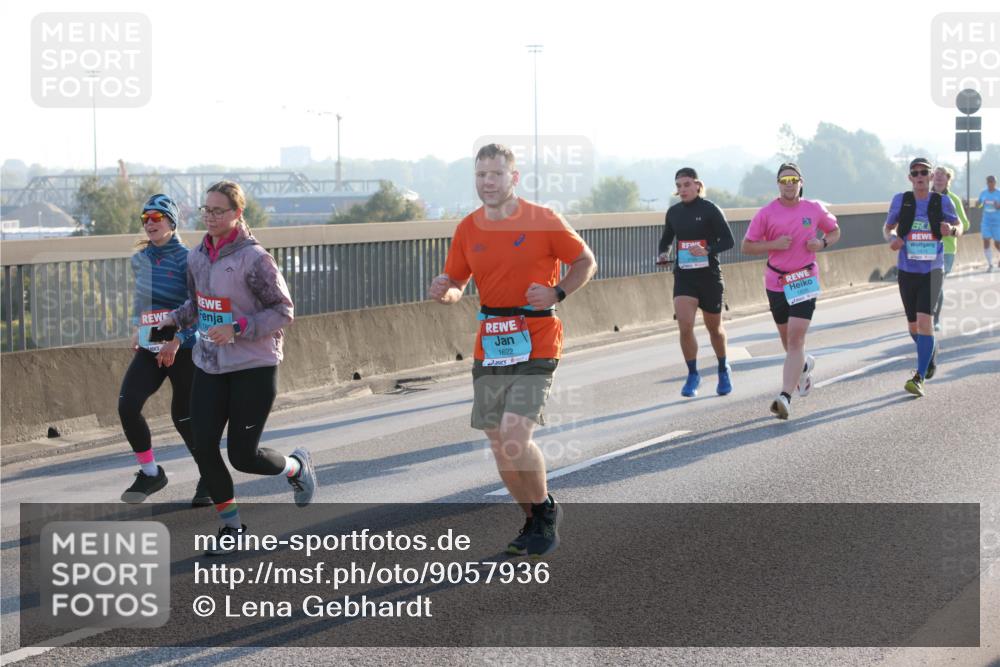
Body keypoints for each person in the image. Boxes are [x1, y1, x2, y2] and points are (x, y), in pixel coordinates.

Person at [428, 143, 597, 557]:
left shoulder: (543, 220)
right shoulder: (468, 227)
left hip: (537, 337)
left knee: (515, 436)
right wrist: (445, 291)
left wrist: (557, 290)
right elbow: (456, 281)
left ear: (513, 178)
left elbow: (586, 261)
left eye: (496, 174)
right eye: (481, 175)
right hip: (491, 342)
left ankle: (543, 512)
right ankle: (533, 519)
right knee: (498, 442)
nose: (488, 182)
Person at [159, 180, 316, 554]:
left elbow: (283, 311)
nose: (210, 217)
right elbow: (197, 307)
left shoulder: (255, 258)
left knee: (243, 456)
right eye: (206, 210)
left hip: (253, 365)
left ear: (237, 214)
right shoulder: (197, 257)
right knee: (204, 445)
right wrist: (171, 322)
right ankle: (232, 529)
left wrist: (239, 328)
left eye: (219, 211)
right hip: (210, 364)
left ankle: (296, 467)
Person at [119, 194, 208, 505]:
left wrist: (178, 339)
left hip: (182, 346)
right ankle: (151, 473)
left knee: (184, 417)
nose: (149, 224)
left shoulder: (190, 259)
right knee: (127, 405)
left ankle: (209, 476)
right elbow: (141, 299)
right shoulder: (139, 260)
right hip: (150, 343)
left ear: (171, 221)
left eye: (156, 218)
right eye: (145, 219)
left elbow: (200, 308)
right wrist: (136, 326)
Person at [742, 163, 840, 419]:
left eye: (793, 179)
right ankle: (804, 366)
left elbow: (835, 230)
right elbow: (746, 246)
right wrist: (773, 244)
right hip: (776, 281)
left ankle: (784, 396)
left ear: (800, 182)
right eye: (784, 179)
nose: (788, 183)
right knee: (788, 343)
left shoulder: (814, 208)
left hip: (805, 278)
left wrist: (822, 242)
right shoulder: (766, 213)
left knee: (796, 339)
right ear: (778, 184)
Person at [656, 167, 735, 397]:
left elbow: (728, 240)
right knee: (685, 325)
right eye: (679, 186)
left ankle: (723, 368)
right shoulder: (673, 213)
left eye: (687, 184)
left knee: (714, 329)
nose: (683, 190)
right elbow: (666, 240)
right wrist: (662, 254)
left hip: (709, 276)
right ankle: (692, 374)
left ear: (698, 185)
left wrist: (707, 250)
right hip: (684, 276)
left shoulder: (710, 209)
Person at [883, 158, 959, 397]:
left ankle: (919, 377)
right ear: (910, 177)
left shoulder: (941, 201)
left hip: (932, 269)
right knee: (914, 326)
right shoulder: (901, 200)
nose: (919, 176)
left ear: (929, 176)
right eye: (915, 173)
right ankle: (930, 354)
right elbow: (888, 228)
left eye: (924, 172)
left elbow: (959, 226)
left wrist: (952, 231)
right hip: (907, 269)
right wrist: (892, 239)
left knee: (926, 322)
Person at [931, 166, 970, 330]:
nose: (939, 177)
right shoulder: (924, 196)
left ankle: (935, 320)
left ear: (948, 179)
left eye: (943, 175)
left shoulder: (953, 199)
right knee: (926, 285)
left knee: (936, 284)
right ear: (932, 177)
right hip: (925, 247)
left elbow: (965, 224)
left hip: (946, 249)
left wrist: (951, 230)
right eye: (936, 175)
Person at [977, 175, 1000, 272]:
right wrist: (978, 203)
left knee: (997, 243)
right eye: (989, 182)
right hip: (986, 221)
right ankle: (990, 264)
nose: (991, 183)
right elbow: (979, 204)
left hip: (997, 222)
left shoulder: (998, 193)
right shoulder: (983, 193)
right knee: (986, 240)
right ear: (987, 183)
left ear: (995, 182)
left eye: (992, 181)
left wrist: (998, 206)